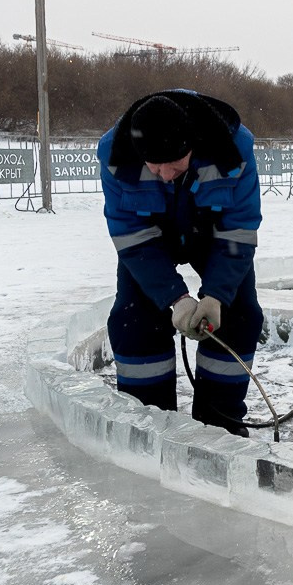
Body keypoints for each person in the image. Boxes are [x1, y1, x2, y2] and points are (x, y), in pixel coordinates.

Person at [96, 89, 263, 437]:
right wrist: (176, 298)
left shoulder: (235, 149)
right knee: (134, 316)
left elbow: (239, 231)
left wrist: (216, 296)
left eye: (174, 163)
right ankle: (148, 423)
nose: (165, 174)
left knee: (240, 311)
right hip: (151, 238)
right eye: (154, 165)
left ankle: (220, 424)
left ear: (194, 144)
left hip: (213, 231)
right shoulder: (115, 155)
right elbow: (132, 237)